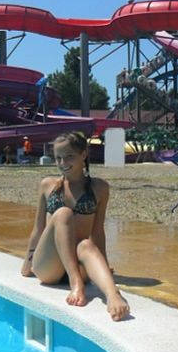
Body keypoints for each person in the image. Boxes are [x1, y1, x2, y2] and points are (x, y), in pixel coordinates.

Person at [20, 131, 130, 321]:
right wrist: (27, 263)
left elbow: (97, 232)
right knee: (63, 213)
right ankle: (75, 283)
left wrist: (103, 266)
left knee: (86, 244)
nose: (63, 163)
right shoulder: (47, 185)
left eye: (69, 156)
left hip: (80, 263)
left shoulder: (100, 188)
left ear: (83, 155)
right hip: (49, 266)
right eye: (58, 158)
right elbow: (38, 228)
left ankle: (113, 296)